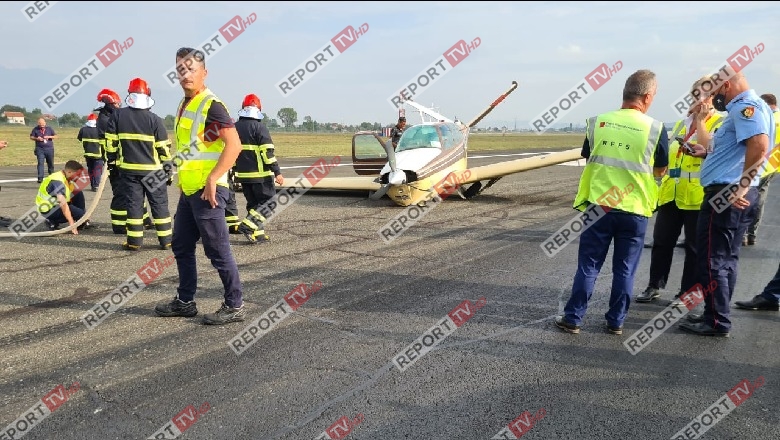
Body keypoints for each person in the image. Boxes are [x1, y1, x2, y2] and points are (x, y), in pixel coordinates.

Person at [555, 69, 668, 335]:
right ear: (648, 96)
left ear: (625, 93)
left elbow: (587, 153)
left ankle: (573, 318)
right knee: (625, 270)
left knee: (589, 266)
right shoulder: (655, 128)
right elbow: (660, 169)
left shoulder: (597, 122)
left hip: (599, 206)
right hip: (635, 209)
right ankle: (615, 322)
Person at [678, 71, 775, 337]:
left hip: (727, 192)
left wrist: (742, 185)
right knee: (725, 259)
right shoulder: (747, 108)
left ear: (727, 86)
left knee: (713, 260)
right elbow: (725, 147)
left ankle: (717, 321)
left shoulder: (746, 107)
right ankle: (716, 314)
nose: (714, 99)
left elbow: (759, 144)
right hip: (730, 190)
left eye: (716, 92)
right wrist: (703, 139)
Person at [154, 47, 246, 325]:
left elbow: (235, 145)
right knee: (181, 245)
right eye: (181, 69)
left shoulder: (212, 105)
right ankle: (185, 301)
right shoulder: (185, 105)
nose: (186, 75)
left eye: (191, 69)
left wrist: (211, 178)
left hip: (210, 192)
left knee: (217, 250)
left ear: (204, 73)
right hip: (190, 191)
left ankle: (235, 305)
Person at [636, 77, 725, 305]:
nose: (698, 99)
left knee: (694, 248)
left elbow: (709, 149)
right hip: (671, 194)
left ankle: (687, 292)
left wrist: (702, 121)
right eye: (695, 94)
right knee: (661, 242)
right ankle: (654, 285)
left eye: (703, 94)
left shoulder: (720, 122)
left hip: (697, 196)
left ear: (713, 97)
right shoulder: (682, 123)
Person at [105, 78, 173, 251]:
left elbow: (110, 143)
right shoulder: (155, 120)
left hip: (129, 170)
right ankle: (167, 241)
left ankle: (134, 242)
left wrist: (112, 162)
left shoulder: (118, 115)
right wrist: (168, 170)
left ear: (129, 94)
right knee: (159, 205)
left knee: (134, 205)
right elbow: (164, 148)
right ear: (147, 95)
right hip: (154, 171)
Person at [234, 93, 284, 244]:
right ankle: (248, 226)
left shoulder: (234, 127)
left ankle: (259, 234)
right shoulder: (259, 127)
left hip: (243, 175)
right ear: (258, 109)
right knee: (270, 203)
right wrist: (277, 172)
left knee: (254, 205)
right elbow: (267, 153)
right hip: (261, 175)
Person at [741, 93, 780, 246]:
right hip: (773, 166)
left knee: (746, 197)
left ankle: (743, 234)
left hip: (758, 164)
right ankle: (752, 234)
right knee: (760, 200)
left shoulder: (766, 117)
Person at [35, 160, 94, 233]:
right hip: (49, 209)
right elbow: (62, 203)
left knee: (78, 192)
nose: (79, 177)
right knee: (80, 213)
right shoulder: (57, 181)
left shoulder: (66, 177)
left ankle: (81, 220)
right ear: (69, 172)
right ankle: (51, 220)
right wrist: (71, 224)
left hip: (56, 204)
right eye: (77, 175)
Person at [77, 113, 104, 191]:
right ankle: (96, 185)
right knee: (97, 170)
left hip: (88, 153)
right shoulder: (99, 130)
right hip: (98, 154)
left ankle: (92, 185)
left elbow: (79, 138)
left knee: (91, 170)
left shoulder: (83, 129)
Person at [29, 118, 57, 183]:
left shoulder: (49, 129)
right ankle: (40, 178)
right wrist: (37, 138)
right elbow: (31, 137)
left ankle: (51, 176)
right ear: (38, 124)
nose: (42, 126)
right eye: (40, 125)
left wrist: (49, 137)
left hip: (49, 149)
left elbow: (56, 136)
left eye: (43, 124)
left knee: (50, 163)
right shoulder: (35, 129)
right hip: (40, 149)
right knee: (40, 163)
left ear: (45, 123)